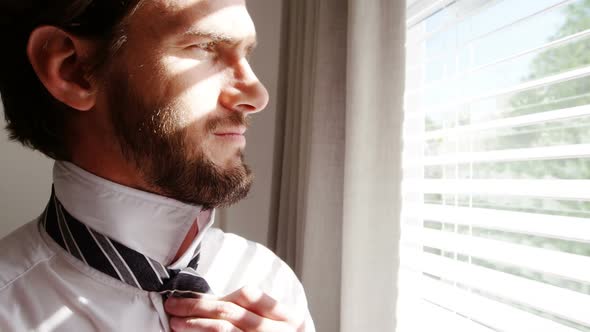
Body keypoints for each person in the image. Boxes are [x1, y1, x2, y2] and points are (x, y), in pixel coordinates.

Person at [0, 0, 314, 331]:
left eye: (245, 54)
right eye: (205, 47)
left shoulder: (270, 282)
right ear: (74, 69)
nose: (257, 94)